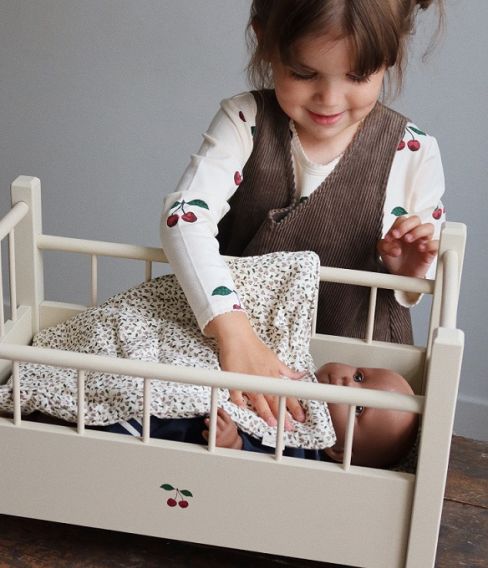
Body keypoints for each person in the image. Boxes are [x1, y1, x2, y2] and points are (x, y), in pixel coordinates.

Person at [160, 0, 445, 430]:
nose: (329, 99)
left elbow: (414, 283)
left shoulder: (414, 152)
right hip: (244, 355)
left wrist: (407, 268)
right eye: (304, 73)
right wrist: (234, 334)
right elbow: (184, 217)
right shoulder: (244, 121)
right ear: (265, 42)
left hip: (354, 373)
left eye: (357, 77)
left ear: (389, 57)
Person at [103, 362, 419, 469]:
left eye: (358, 408)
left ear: (338, 450)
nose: (347, 382)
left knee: (162, 414)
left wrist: (236, 445)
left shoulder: (306, 452)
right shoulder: (302, 368)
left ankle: (110, 425)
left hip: (191, 423)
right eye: (360, 376)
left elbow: (269, 468)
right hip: (206, 383)